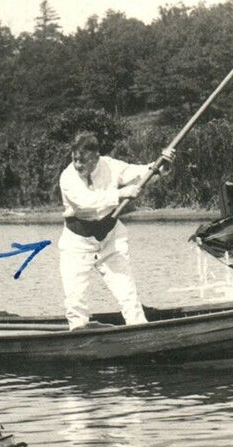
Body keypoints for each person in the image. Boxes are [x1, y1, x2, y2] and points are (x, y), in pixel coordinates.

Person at [57, 131, 172, 329]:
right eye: (75, 159)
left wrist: (160, 166)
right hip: (78, 242)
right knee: (75, 297)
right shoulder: (68, 177)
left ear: (96, 157)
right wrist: (121, 193)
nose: (78, 165)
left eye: (83, 161)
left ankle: (139, 328)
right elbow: (85, 204)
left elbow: (139, 173)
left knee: (126, 289)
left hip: (110, 237)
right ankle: (78, 332)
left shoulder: (109, 165)